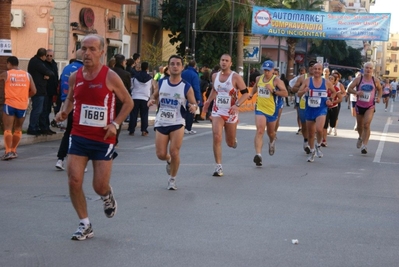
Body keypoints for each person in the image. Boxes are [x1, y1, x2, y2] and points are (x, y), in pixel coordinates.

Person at [55, 34, 133, 240]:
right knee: (73, 180)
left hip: (103, 138)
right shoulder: (75, 76)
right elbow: (71, 99)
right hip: (79, 135)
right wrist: (64, 111)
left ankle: (107, 195)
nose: (87, 53)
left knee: (98, 186)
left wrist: (115, 124)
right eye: (83, 48)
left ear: (101, 52)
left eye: (92, 49)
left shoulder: (110, 76)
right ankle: (85, 224)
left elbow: (128, 102)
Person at [147, 55, 198, 190]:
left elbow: (194, 102)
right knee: (160, 154)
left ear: (181, 67)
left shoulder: (186, 86)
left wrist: (193, 107)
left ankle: (172, 179)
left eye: (178, 64)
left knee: (175, 151)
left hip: (177, 122)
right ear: (168, 67)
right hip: (162, 121)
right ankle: (169, 160)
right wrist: (151, 100)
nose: (175, 66)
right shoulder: (162, 82)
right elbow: (155, 95)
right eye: (172, 64)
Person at [203, 54, 249, 176]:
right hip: (217, 110)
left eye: (226, 61)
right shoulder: (214, 76)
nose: (224, 62)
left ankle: (233, 141)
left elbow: (245, 93)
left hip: (231, 112)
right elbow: (215, 90)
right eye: (222, 60)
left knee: (230, 143)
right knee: (217, 136)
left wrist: (237, 105)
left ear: (230, 63)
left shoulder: (235, 77)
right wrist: (208, 102)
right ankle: (218, 167)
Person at [248, 60, 288, 166]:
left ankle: (271, 141)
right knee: (260, 130)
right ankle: (258, 155)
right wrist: (251, 94)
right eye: (264, 70)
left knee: (271, 133)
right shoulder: (259, 78)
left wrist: (274, 91)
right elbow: (256, 87)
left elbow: (286, 93)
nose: (266, 72)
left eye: (268, 70)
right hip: (260, 108)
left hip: (272, 110)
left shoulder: (277, 81)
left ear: (273, 70)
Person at [298, 62, 336, 162]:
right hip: (309, 109)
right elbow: (298, 94)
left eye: (319, 69)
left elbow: (334, 91)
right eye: (315, 69)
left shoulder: (326, 82)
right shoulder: (307, 81)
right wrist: (304, 91)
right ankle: (312, 151)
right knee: (311, 134)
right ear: (312, 70)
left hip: (321, 109)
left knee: (319, 129)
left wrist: (330, 100)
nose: (317, 71)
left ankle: (318, 145)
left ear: (321, 70)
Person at [0, 56, 37, 160]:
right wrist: (25, 96)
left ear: (8, 63)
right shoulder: (27, 75)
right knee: (18, 129)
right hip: (22, 105)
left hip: (10, 104)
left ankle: (7, 152)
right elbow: (34, 91)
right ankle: (14, 150)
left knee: (7, 129)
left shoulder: (7, 73)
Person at [55, 49, 84, 170]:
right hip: (79, 105)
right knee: (80, 133)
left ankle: (60, 159)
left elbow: (61, 83)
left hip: (65, 102)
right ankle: (81, 162)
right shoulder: (84, 70)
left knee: (68, 132)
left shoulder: (67, 68)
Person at [347, 62, 382, 154]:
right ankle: (360, 137)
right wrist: (356, 93)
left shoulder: (375, 80)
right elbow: (349, 89)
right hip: (359, 105)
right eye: (366, 68)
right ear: (363, 69)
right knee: (359, 126)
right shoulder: (358, 79)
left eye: (370, 68)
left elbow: (380, 89)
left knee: (366, 125)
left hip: (370, 106)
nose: (368, 70)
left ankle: (364, 145)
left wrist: (378, 97)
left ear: (372, 70)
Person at [291, 60, 317, 154]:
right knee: (305, 125)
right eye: (310, 66)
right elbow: (293, 89)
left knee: (313, 125)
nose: (312, 68)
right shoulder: (302, 78)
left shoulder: (321, 79)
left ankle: (312, 145)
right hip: (303, 104)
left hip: (315, 104)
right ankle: (306, 140)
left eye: (314, 67)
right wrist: (302, 88)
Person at [27, 48, 54, 136]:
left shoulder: (33, 61)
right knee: (37, 110)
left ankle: (35, 127)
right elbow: (49, 72)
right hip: (38, 90)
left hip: (38, 89)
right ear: (42, 56)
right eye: (46, 56)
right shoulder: (38, 63)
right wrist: (47, 74)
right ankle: (32, 127)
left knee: (38, 109)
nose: (47, 58)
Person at [128, 61, 154, 136]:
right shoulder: (150, 78)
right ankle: (144, 130)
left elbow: (131, 86)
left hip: (135, 97)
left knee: (133, 114)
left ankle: (131, 130)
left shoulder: (135, 77)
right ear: (147, 68)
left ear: (140, 67)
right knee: (144, 114)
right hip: (145, 98)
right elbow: (150, 88)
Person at [112, 54, 132, 144]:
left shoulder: (109, 71)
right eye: (124, 62)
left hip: (109, 99)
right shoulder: (126, 74)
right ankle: (115, 139)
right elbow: (128, 87)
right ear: (122, 62)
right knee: (118, 120)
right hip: (120, 100)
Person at [182, 60, 201, 133]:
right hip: (191, 94)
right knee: (190, 111)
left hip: (183, 93)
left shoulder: (183, 73)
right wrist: (198, 98)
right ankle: (188, 128)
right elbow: (196, 87)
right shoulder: (194, 74)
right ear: (195, 65)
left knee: (183, 111)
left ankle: (183, 127)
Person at [42, 49, 59, 135]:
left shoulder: (54, 64)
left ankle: (46, 127)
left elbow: (55, 76)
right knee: (44, 110)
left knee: (48, 109)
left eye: (50, 56)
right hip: (45, 90)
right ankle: (44, 127)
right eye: (47, 55)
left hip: (52, 90)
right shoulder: (43, 64)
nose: (49, 57)